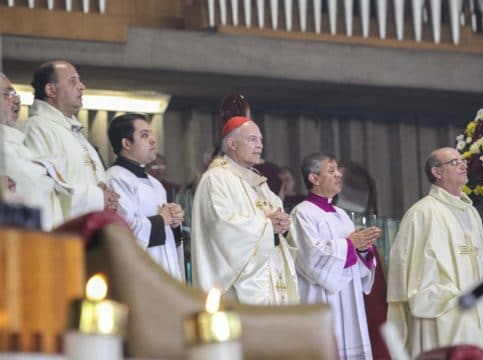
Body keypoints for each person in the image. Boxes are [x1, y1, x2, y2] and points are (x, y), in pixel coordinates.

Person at [387, 147, 483, 357]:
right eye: (454, 162)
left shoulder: (471, 213)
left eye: (462, 161)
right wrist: (444, 298)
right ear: (437, 172)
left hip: (481, 308)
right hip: (442, 315)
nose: (463, 165)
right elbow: (407, 271)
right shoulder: (421, 213)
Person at [191, 115, 299, 304]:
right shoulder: (216, 179)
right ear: (232, 144)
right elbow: (222, 230)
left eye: (260, 140)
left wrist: (284, 225)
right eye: (252, 140)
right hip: (242, 289)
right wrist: (267, 227)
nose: (260, 146)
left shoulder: (258, 183)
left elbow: (277, 213)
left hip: (270, 282)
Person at [291, 153, 380, 359]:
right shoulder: (302, 213)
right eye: (331, 170)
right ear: (314, 178)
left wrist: (364, 249)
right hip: (322, 299)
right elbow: (311, 257)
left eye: (337, 169)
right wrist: (351, 244)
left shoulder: (341, 214)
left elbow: (356, 262)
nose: (338, 174)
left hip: (348, 297)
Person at [23, 60, 119, 220]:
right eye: (73, 81)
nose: (82, 86)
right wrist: (97, 197)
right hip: (65, 236)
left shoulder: (74, 133)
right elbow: (41, 189)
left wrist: (107, 197)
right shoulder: (37, 128)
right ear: (51, 90)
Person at [106, 113, 185, 280]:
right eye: (144, 135)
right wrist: (161, 220)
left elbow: (166, 232)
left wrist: (174, 221)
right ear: (126, 143)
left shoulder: (156, 184)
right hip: (141, 276)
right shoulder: (115, 178)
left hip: (165, 272)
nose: (153, 140)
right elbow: (124, 232)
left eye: (151, 134)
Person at [0, 72, 68, 230]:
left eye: (15, 94)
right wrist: (46, 168)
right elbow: (31, 182)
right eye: (8, 94)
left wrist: (44, 168)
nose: (16, 99)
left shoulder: (15, 141)